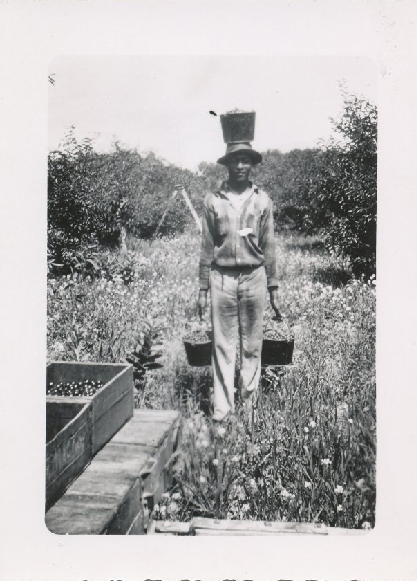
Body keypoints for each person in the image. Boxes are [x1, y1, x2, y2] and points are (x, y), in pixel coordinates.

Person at [198, 134, 282, 423]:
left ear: (251, 165)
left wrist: (273, 286)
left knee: (251, 345)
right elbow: (207, 244)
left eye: (245, 160)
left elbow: (269, 245)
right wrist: (202, 287)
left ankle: (249, 414)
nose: (240, 165)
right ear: (228, 165)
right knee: (222, 345)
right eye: (235, 160)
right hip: (221, 278)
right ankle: (222, 415)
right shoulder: (213, 200)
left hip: (254, 278)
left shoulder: (262, 200)